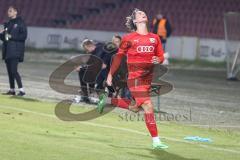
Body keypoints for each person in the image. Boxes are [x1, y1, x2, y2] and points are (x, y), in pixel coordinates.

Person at [97, 8, 168, 149]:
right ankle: (156, 142)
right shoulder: (128, 38)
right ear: (135, 21)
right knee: (148, 106)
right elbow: (118, 58)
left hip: (147, 78)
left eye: (144, 13)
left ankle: (108, 100)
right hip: (135, 78)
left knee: (135, 108)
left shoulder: (155, 38)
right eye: (140, 14)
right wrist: (110, 75)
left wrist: (158, 59)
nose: (143, 14)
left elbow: (160, 56)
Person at [0, 5, 27, 96]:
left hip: (16, 50)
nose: (9, 12)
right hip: (7, 50)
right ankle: (12, 90)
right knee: (9, 71)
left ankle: (22, 90)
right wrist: (1, 35)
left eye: (10, 11)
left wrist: (12, 36)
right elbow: (5, 39)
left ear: (16, 12)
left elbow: (24, 37)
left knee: (14, 71)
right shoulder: (7, 24)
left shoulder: (20, 23)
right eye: (8, 11)